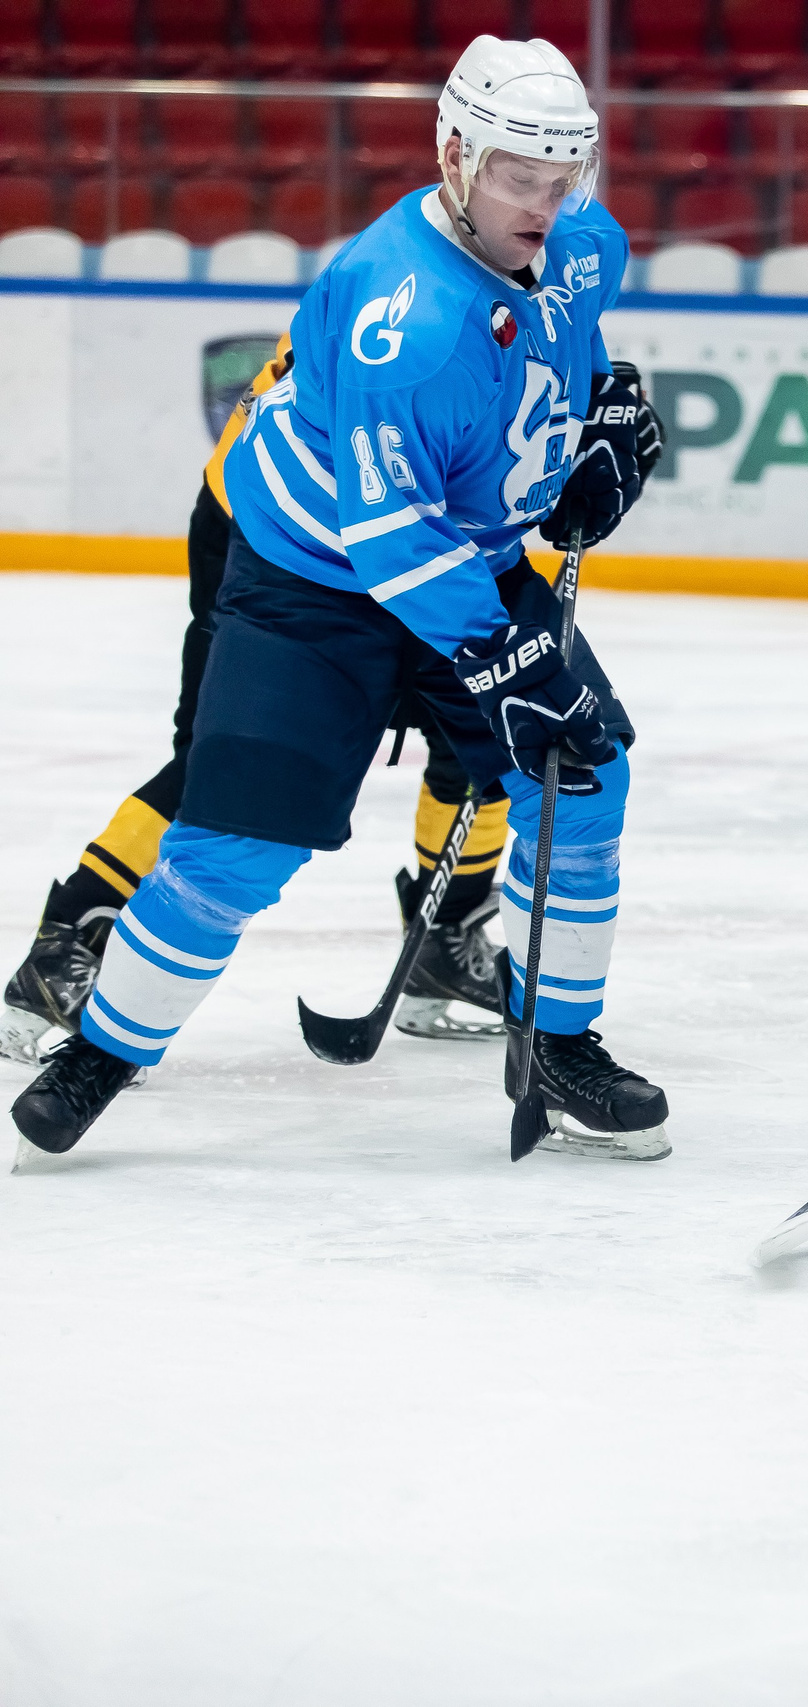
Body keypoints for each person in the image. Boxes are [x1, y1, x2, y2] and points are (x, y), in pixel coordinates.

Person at [11, 35, 667, 1161]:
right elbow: (388, 537)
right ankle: (102, 1051)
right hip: (318, 580)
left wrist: (602, 425)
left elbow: (565, 358)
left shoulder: (580, 242)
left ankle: (557, 1046)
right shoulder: (401, 314)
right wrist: (506, 664)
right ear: (455, 156)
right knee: (238, 839)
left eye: (569, 179)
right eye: (522, 176)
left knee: (580, 777)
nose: (553, 207)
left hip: (463, 557)